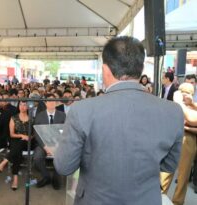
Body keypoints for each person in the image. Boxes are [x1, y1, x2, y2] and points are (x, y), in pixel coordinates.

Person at [54, 36, 184, 205]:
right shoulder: (173, 111)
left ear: (105, 69)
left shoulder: (82, 110)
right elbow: (169, 165)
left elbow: (64, 167)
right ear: (141, 68)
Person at [160, 83, 197, 205]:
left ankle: (178, 202)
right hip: (172, 139)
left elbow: (192, 120)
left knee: (183, 176)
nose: (185, 95)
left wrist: (186, 125)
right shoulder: (172, 106)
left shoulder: (193, 107)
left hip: (189, 141)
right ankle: (159, 197)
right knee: (165, 172)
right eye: (183, 91)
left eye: (189, 92)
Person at [33, 93, 66, 190]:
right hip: (43, 144)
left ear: (56, 103)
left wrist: (57, 145)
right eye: (49, 101)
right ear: (46, 103)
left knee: (60, 157)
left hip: (58, 144)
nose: (51, 103)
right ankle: (46, 176)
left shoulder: (63, 116)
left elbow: (65, 132)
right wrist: (45, 146)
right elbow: (36, 133)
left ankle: (56, 178)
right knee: (37, 158)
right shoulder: (39, 116)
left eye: (53, 101)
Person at [0, 101, 30, 190]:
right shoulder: (13, 118)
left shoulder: (32, 118)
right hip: (16, 140)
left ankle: (5, 161)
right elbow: (12, 134)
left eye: (25, 105)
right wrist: (21, 136)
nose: (23, 106)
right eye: (21, 105)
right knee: (17, 150)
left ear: (28, 107)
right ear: (18, 106)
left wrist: (28, 137)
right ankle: (15, 178)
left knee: (17, 147)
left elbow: (34, 133)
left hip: (28, 142)